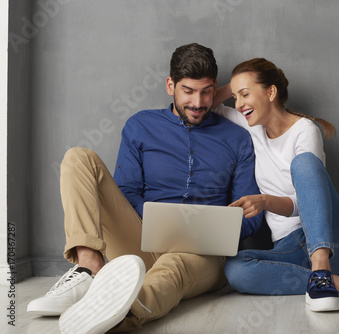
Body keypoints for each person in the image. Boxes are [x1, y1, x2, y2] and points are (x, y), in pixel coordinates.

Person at [26, 43, 263, 333]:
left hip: (202, 255)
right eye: (188, 91)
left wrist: (215, 226)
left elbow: (252, 218)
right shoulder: (140, 126)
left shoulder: (237, 138)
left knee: (172, 270)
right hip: (140, 239)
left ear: (215, 88)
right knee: (78, 158)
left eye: (206, 91)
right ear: (170, 85)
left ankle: (121, 314)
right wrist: (160, 220)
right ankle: (90, 269)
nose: (198, 102)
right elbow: (126, 193)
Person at [213, 58, 339, 312]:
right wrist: (238, 84)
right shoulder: (253, 127)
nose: (238, 104)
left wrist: (265, 201)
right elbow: (210, 106)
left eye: (245, 95)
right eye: (236, 97)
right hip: (290, 248)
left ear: (271, 92)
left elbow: (305, 201)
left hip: (332, 239)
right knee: (236, 270)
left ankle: (322, 267)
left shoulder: (305, 131)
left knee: (303, 163)